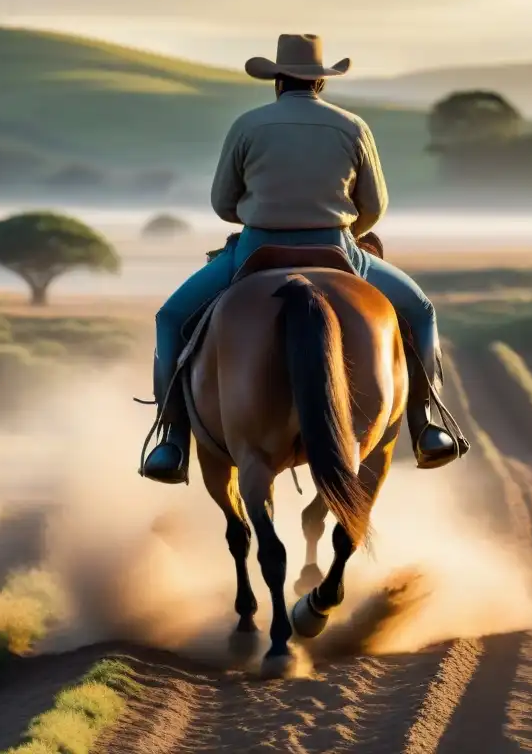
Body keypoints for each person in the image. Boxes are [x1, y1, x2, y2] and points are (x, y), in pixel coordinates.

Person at [141, 33, 468, 485]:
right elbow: (374, 205)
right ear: (321, 82)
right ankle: (427, 426)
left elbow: (222, 202)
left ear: (276, 81)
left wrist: (264, 214)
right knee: (421, 311)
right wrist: (345, 227)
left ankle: (171, 440)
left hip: (256, 249)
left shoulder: (248, 125)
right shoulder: (352, 126)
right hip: (337, 246)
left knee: (171, 317)